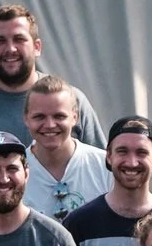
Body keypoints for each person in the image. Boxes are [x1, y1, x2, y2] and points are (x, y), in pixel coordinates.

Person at [0, 3, 106, 145]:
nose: (10, 49)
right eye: (0, 41)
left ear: (37, 47)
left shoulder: (70, 100)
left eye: (19, 39)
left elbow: (101, 164)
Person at [67, 117, 152, 246]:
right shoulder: (79, 224)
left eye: (141, 152)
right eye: (122, 151)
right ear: (109, 156)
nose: (132, 162)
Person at [22, 75, 110, 221]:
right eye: (39, 117)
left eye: (59, 116)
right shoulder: (14, 173)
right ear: (26, 118)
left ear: (75, 117)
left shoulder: (105, 167)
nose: (50, 125)